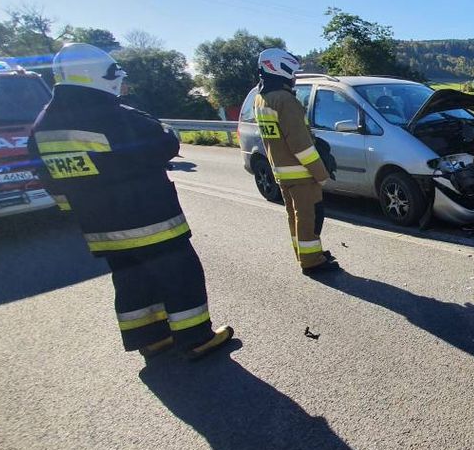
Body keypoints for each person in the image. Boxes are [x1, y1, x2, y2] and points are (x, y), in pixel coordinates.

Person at [28, 43, 234, 361]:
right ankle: (196, 337)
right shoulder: (110, 115)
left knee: (130, 280)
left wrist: (77, 211)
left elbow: (48, 177)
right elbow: (162, 144)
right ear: (98, 76)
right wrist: (167, 133)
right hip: (149, 219)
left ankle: (149, 338)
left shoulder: (42, 126)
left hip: (100, 228)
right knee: (181, 275)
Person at [253, 48, 340, 275]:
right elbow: (300, 145)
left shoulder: (261, 99)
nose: (294, 77)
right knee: (310, 217)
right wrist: (320, 174)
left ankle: (306, 254)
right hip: (301, 173)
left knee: (295, 217)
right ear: (280, 69)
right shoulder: (285, 100)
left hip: (281, 171)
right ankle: (312, 262)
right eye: (292, 73)